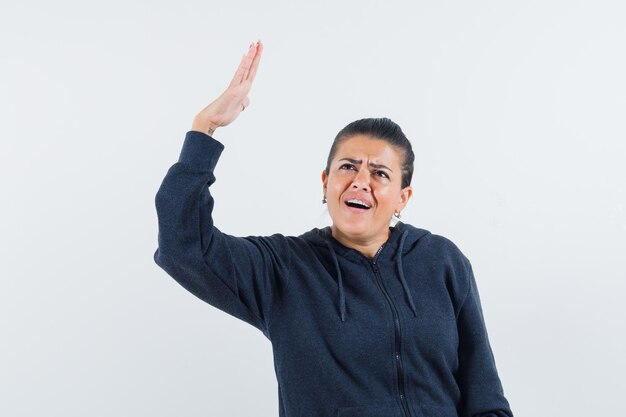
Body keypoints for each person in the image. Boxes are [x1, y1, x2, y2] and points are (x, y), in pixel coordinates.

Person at [153, 40, 514, 417]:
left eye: (379, 173)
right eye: (347, 167)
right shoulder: (285, 269)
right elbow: (184, 248)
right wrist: (205, 129)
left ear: (403, 198)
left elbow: (484, 392)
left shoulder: (442, 261)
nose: (360, 181)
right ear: (325, 182)